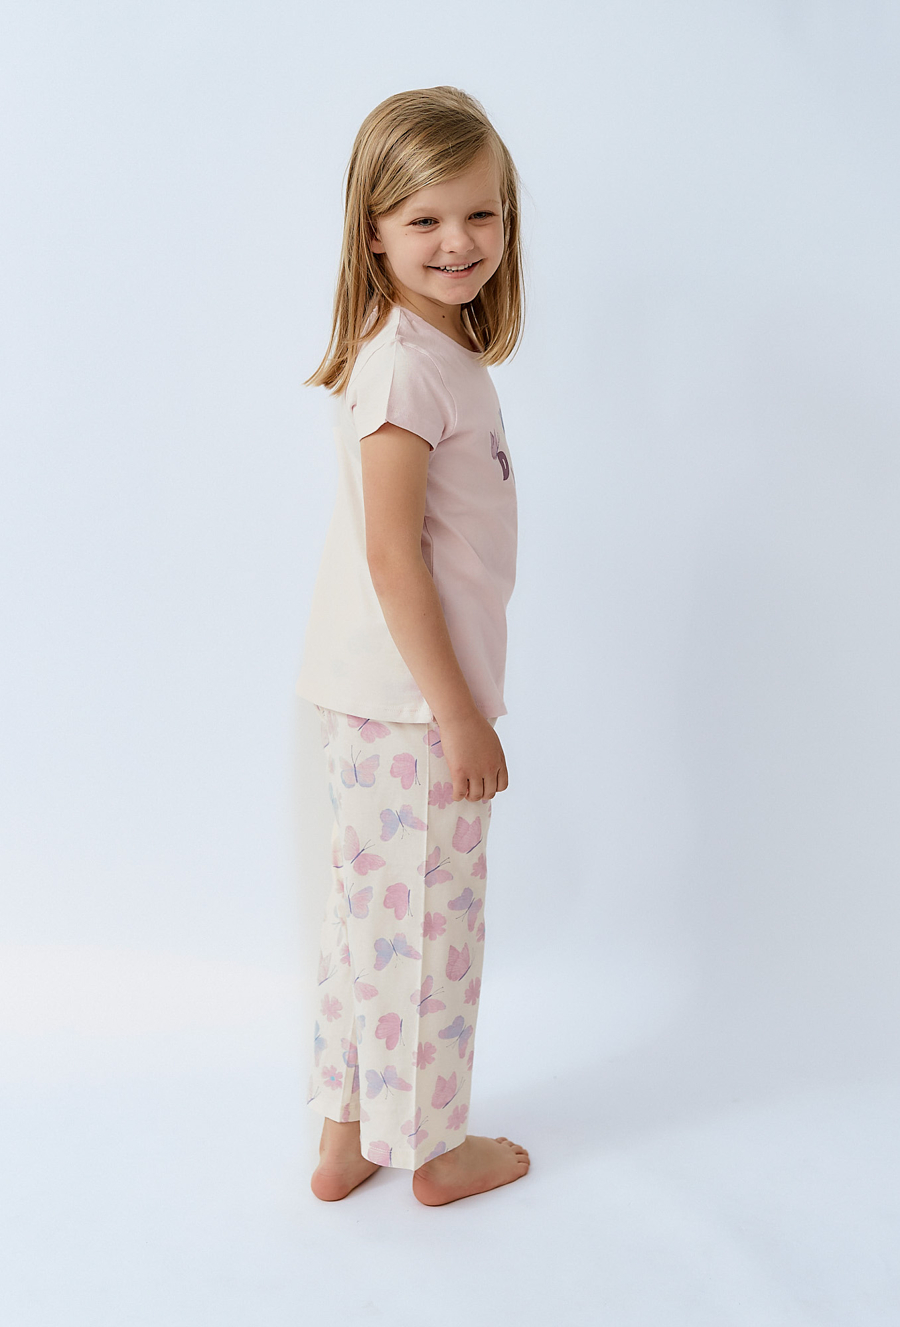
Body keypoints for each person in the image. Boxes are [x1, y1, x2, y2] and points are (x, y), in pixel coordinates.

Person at [295, 85, 530, 1207]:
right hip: (412, 706)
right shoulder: (404, 367)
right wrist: (461, 715)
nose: (458, 241)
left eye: (481, 214)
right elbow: (395, 559)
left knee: (371, 921)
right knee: (428, 926)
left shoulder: (431, 353)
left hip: (381, 698)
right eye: (425, 219)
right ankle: (432, 1150)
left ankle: (347, 1134)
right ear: (374, 230)